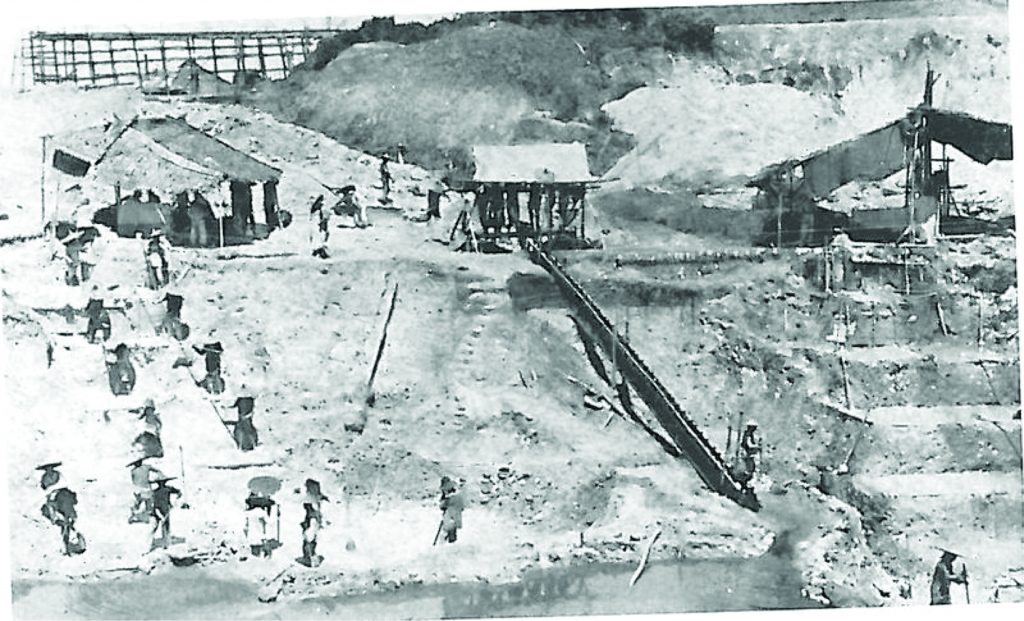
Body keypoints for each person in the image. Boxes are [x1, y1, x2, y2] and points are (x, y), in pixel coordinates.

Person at [37, 462, 85, 556]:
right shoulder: (44, 477)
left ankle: (75, 544)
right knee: (49, 509)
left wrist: (55, 489)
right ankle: (65, 545)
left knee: (69, 518)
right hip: (52, 496)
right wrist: (49, 491)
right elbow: (44, 487)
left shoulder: (58, 474)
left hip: (62, 493)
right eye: (47, 468)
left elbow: (63, 484)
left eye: (50, 468)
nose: (49, 470)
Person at [299, 478, 327, 567]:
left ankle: (310, 559)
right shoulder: (316, 499)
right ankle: (311, 558)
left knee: (309, 539)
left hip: (311, 521)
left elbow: (312, 512)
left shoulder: (310, 500)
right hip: (312, 521)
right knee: (311, 539)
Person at [128, 456, 164, 523]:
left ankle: (148, 516)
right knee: (138, 502)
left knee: (148, 502)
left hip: (144, 488)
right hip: (139, 489)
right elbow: (134, 481)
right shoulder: (134, 471)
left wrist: (160, 475)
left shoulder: (145, 467)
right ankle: (134, 516)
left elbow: (157, 470)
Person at [151, 477, 182, 549]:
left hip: (159, 509)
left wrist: (175, 500)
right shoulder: (165, 489)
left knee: (160, 526)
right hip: (162, 509)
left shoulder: (156, 491)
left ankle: (163, 543)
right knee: (164, 526)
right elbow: (179, 492)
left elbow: (179, 492)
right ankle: (165, 543)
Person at [244, 491, 278, 558]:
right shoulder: (261, 512)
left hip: (251, 536)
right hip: (260, 535)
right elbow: (269, 522)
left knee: (254, 555)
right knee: (259, 554)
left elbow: (245, 525)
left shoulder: (248, 513)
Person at [438, 476, 464, 544]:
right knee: (451, 531)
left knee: (448, 531)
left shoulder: (451, 496)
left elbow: (442, 505)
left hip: (450, 515)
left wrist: (444, 504)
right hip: (454, 515)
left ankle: (447, 546)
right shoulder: (457, 494)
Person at [310, 195, 331, 259]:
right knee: (321, 236)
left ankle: (317, 250)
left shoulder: (316, 210)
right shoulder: (320, 210)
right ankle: (320, 250)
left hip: (318, 224)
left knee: (320, 236)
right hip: (319, 225)